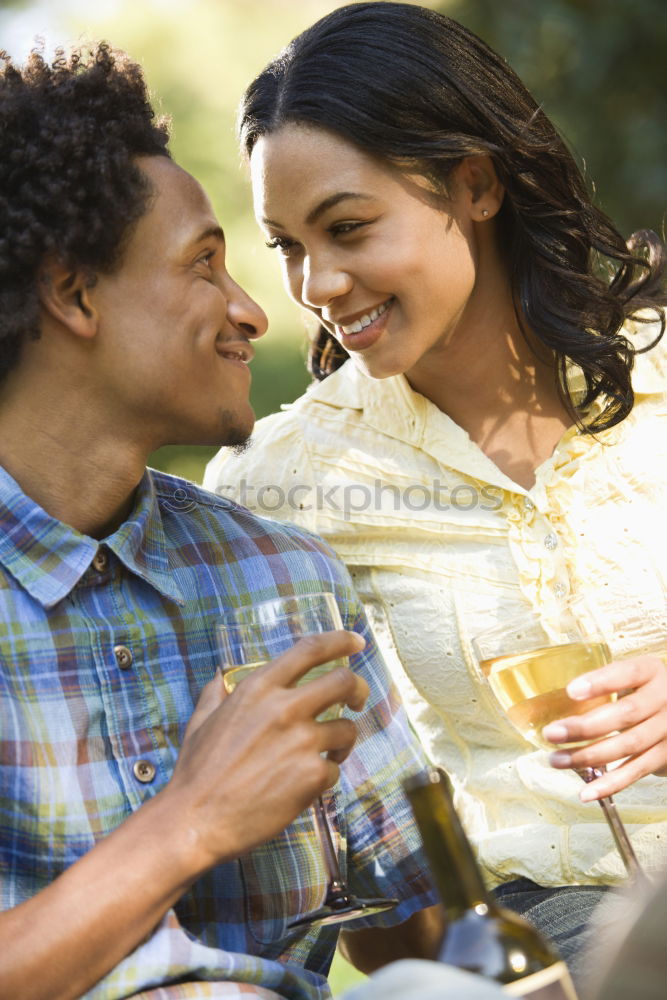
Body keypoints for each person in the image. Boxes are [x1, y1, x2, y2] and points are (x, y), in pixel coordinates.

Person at [204, 0, 667, 986]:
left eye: (347, 227)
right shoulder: (282, 481)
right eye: (286, 245)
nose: (317, 283)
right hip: (556, 916)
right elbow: (337, 836)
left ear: (475, 183)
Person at [0, 42, 444, 1000]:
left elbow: (426, 944)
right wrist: (194, 818)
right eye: (206, 264)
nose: (252, 310)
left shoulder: (282, 578)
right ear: (74, 292)